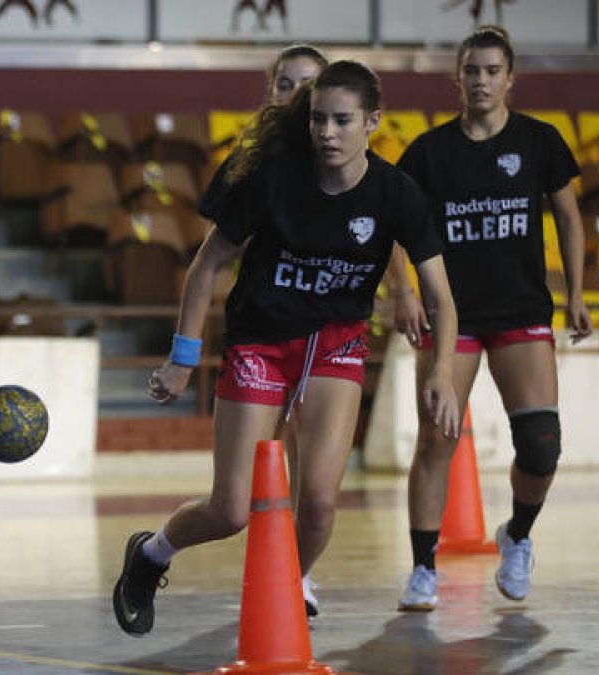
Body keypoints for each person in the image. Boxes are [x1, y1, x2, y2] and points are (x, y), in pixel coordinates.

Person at [113, 60, 461, 637]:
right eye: (319, 119)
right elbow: (207, 265)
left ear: (372, 121)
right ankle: (150, 556)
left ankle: (280, 592)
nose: (328, 132)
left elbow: (442, 299)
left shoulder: (396, 193)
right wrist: (181, 356)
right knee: (231, 511)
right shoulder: (274, 179)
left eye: (343, 120)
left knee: (321, 503)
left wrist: (442, 371)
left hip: (336, 346)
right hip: (261, 343)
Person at [389, 26, 592, 612]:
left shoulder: (539, 140)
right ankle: (424, 567)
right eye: (471, 70)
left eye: (491, 70)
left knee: (542, 444)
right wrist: (402, 292)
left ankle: (518, 537)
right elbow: (395, 228)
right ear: (458, 77)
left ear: (509, 78)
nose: (481, 80)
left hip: (522, 310)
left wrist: (576, 291)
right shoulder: (429, 152)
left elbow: (570, 219)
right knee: (436, 439)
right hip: (453, 317)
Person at [199, 42, 330, 617]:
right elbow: (211, 255)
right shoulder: (251, 164)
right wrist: (184, 349)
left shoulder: (347, 155)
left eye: (308, 86)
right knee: (250, 473)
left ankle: (292, 575)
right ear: (268, 91)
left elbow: (388, 224)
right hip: (262, 327)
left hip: (328, 333)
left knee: (314, 466)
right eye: (284, 84)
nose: (295, 96)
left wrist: (401, 291)